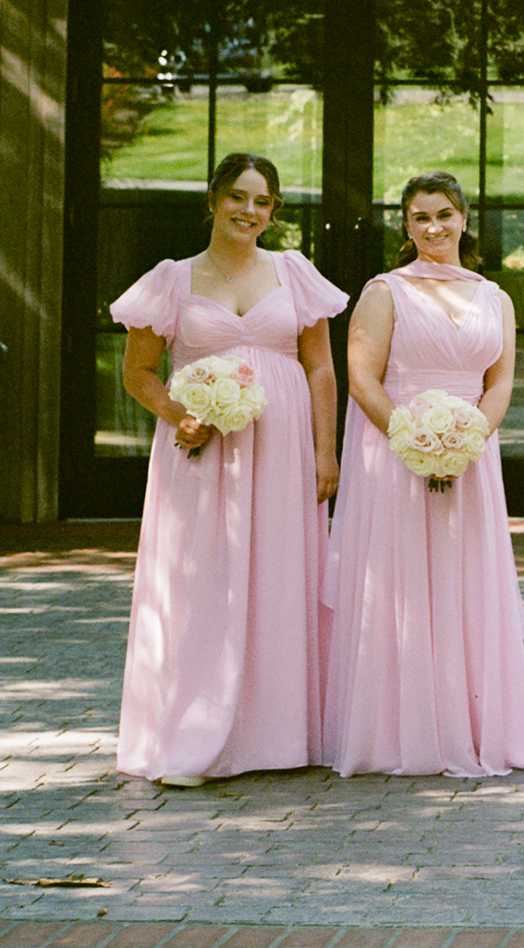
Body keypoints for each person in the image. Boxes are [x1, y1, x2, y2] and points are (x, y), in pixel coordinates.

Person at [111, 152, 346, 785]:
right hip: (201, 446)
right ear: (213, 200)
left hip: (284, 446)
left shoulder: (294, 274)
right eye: (238, 197)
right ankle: (195, 731)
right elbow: (136, 371)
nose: (250, 211)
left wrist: (327, 452)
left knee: (279, 572)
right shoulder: (172, 279)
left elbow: (321, 367)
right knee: (203, 575)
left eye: (263, 201)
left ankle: (277, 736)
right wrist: (176, 413)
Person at [322, 171, 524, 777]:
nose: (434, 227)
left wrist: (469, 438)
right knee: (401, 581)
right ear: (405, 224)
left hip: (472, 455)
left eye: (444, 214)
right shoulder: (384, 292)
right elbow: (362, 378)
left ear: (465, 218)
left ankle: (470, 730)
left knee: (462, 580)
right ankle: (398, 735)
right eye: (420, 217)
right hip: (394, 455)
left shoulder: (493, 296)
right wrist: (414, 440)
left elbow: (499, 381)